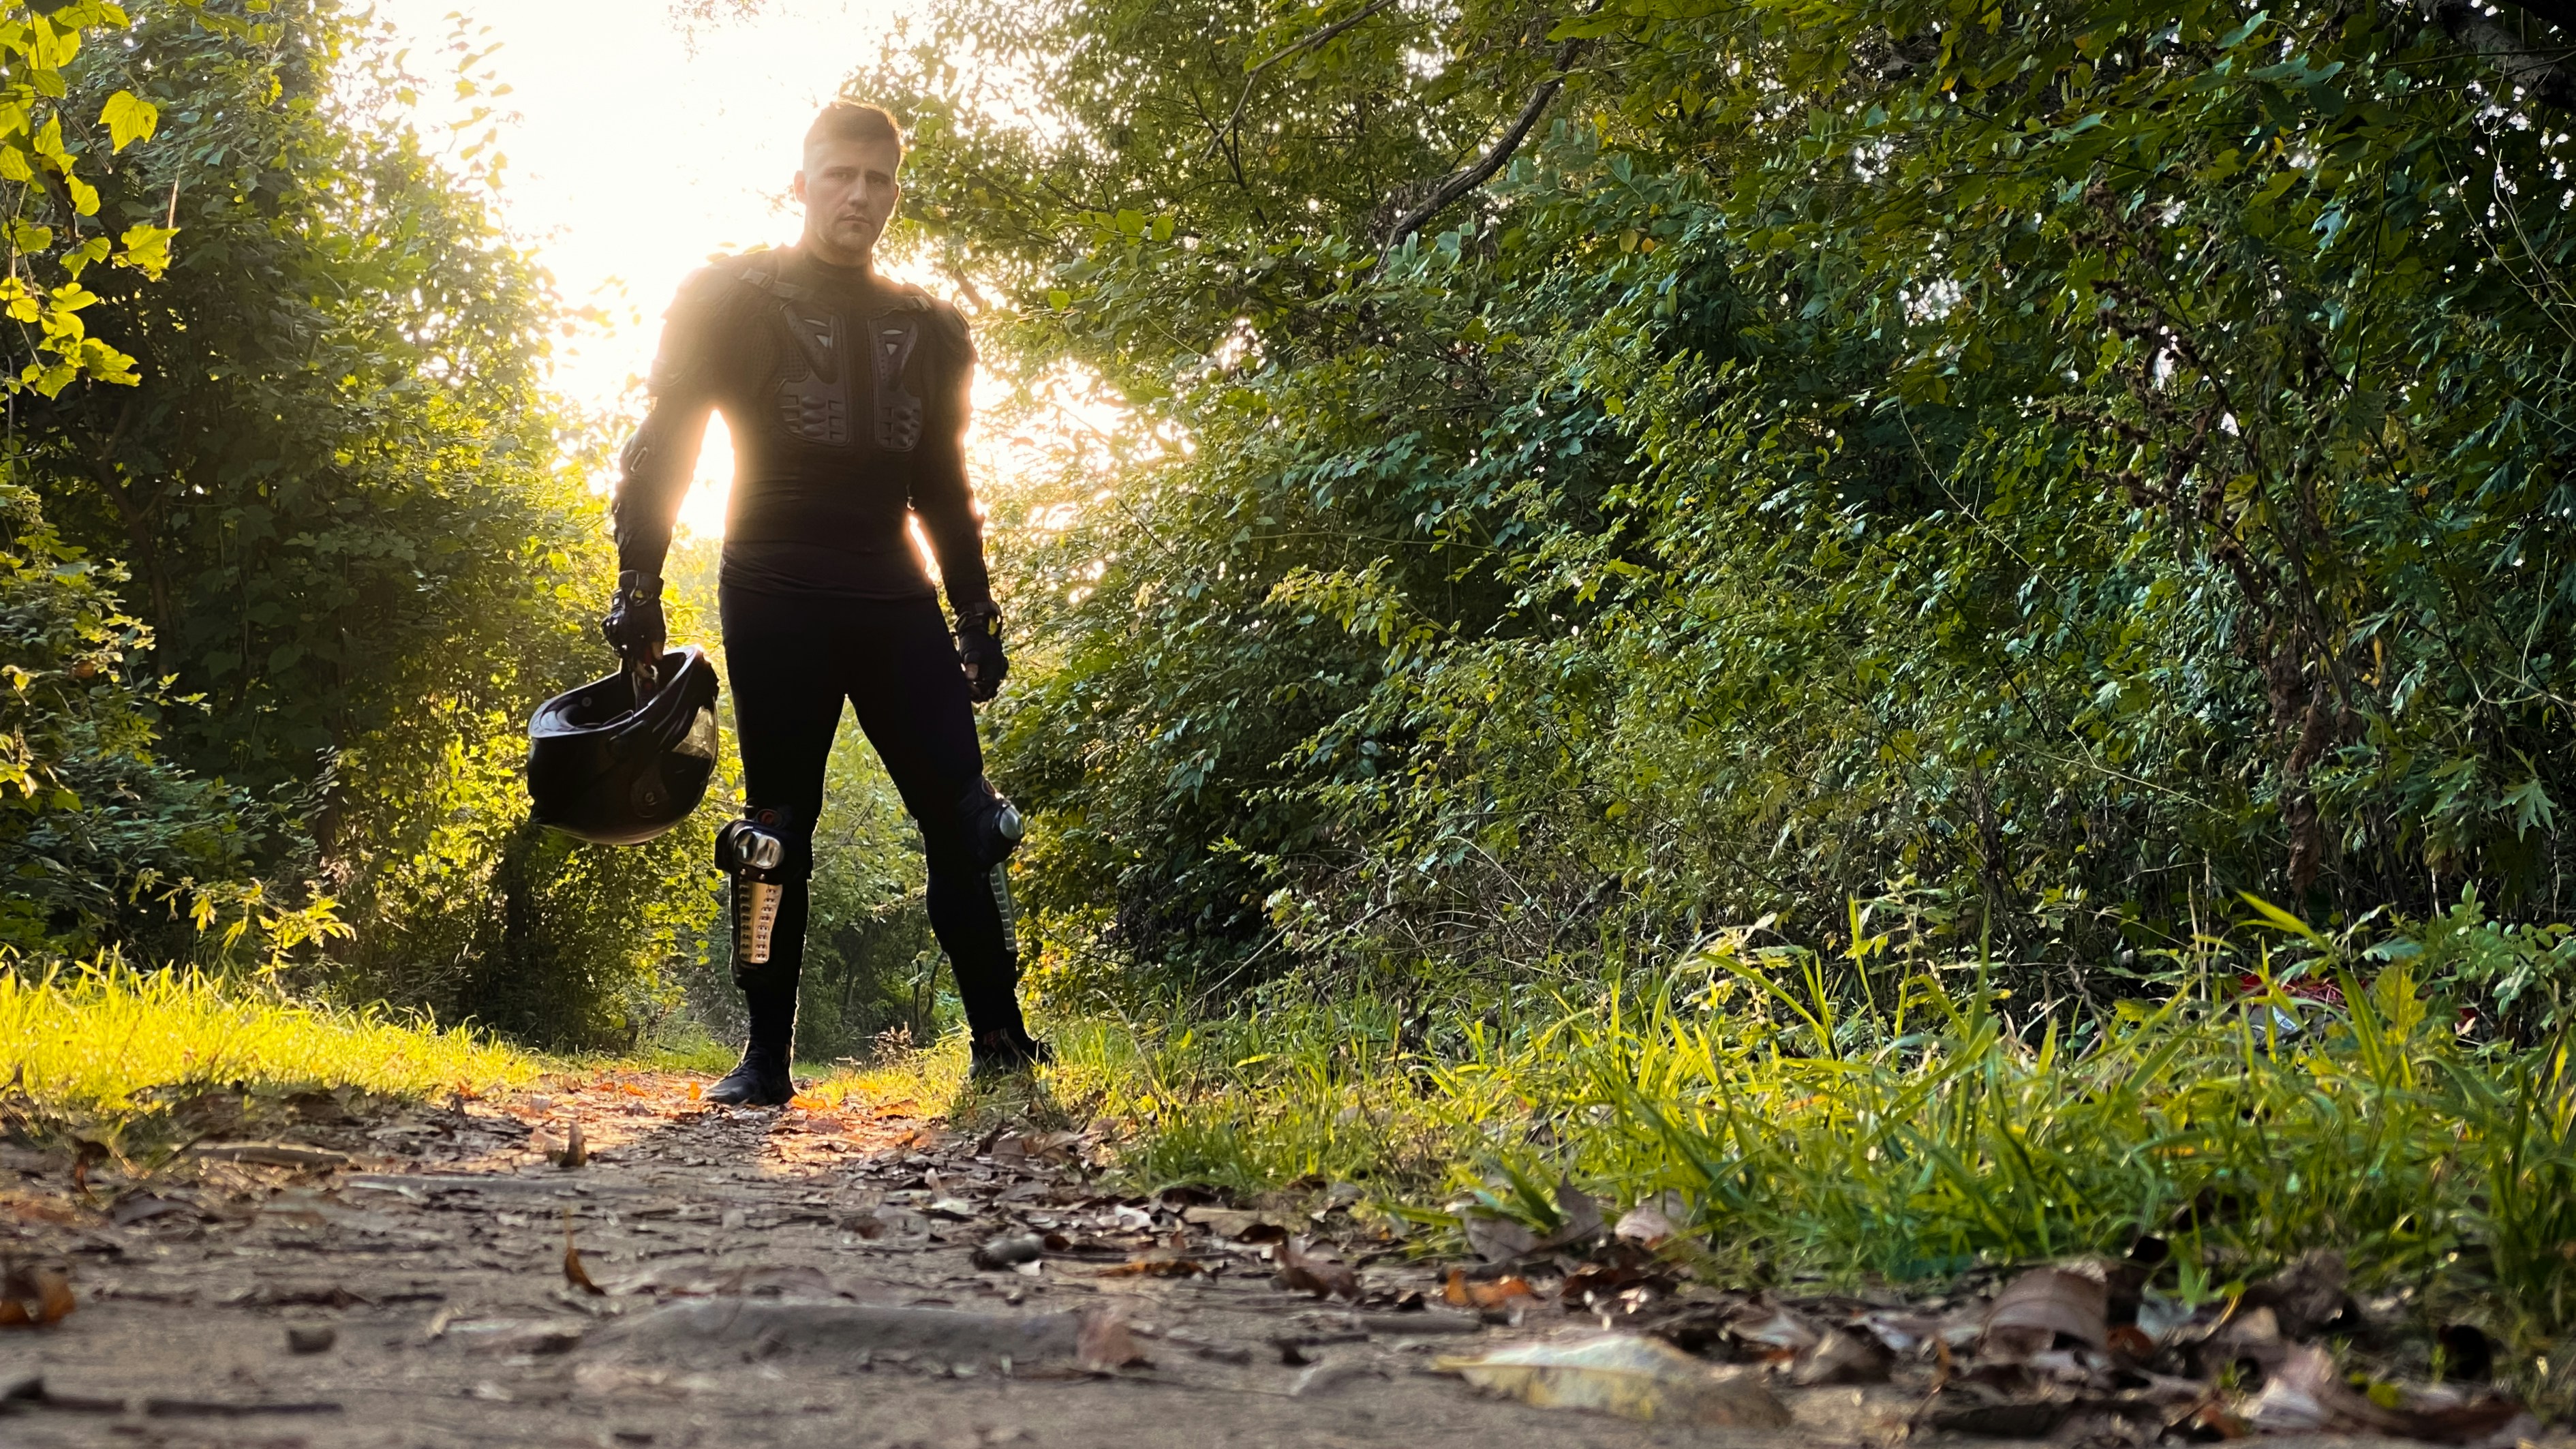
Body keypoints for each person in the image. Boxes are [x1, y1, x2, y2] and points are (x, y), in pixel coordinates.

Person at [602, 101, 1047, 1105]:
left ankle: (1002, 1046)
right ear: (800, 183)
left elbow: (944, 482)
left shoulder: (930, 329)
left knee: (970, 821)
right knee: (773, 833)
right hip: (773, 587)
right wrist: (639, 581)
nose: (860, 195)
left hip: (895, 593)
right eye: (840, 174)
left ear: (896, 190)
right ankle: (764, 1059)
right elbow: (667, 444)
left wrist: (976, 616)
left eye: (878, 179)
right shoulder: (730, 296)